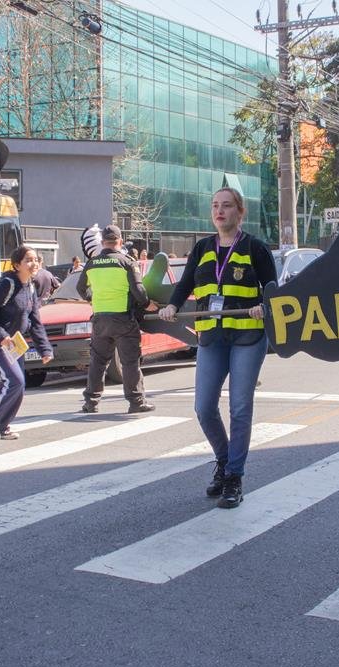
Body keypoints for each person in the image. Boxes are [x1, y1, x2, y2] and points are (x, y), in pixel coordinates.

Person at [158, 188, 277, 509]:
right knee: (203, 407)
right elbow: (185, 284)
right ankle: (224, 462)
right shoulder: (202, 248)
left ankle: (234, 477)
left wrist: (263, 306)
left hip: (248, 335)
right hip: (212, 336)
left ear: (240, 211)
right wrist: (172, 306)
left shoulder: (255, 248)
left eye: (226, 206)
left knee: (240, 408)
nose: (219, 211)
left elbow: (272, 291)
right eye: (215, 206)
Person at [77, 224, 157, 414]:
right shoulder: (127, 262)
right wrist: (147, 304)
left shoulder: (91, 263)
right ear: (120, 241)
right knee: (130, 362)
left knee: (98, 362)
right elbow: (138, 290)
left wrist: (92, 298)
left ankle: (91, 403)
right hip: (123, 319)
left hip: (100, 319)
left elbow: (81, 288)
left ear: (103, 242)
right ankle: (136, 402)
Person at [0, 247, 53, 441]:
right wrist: (2, 336)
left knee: (19, 386)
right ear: (17, 265)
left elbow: (35, 320)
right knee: (15, 381)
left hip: (15, 345)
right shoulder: (6, 285)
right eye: (28, 260)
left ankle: (4, 426)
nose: (34, 263)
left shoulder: (30, 286)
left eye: (35, 259)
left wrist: (44, 349)